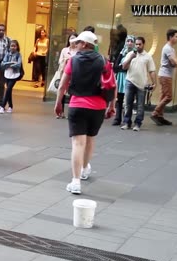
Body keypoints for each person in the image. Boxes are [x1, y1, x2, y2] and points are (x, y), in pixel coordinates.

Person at [54, 31, 114, 194]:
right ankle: (85, 168)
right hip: (98, 107)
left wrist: (58, 103)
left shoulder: (73, 61)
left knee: (77, 143)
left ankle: (75, 181)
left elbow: (63, 85)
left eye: (78, 42)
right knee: (90, 140)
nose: (76, 45)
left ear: (86, 44)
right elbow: (111, 85)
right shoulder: (104, 61)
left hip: (77, 105)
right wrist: (112, 105)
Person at [120, 37, 156, 131]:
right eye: (136, 44)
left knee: (140, 105)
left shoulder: (148, 56)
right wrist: (131, 57)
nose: (138, 46)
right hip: (129, 81)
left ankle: (138, 123)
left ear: (143, 44)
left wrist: (154, 83)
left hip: (141, 84)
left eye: (140, 44)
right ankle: (126, 122)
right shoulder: (130, 54)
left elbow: (151, 70)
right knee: (127, 103)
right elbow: (124, 67)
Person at [151, 29, 177, 126]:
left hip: (166, 75)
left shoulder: (171, 49)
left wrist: (175, 63)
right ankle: (155, 113)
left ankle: (160, 116)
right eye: (176, 36)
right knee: (168, 97)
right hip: (165, 75)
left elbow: (175, 62)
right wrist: (176, 63)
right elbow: (174, 62)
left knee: (163, 96)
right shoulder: (167, 48)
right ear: (170, 37)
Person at [112, 35, 135, 125]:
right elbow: (116, 67)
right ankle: (117, 118)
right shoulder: (122, 53)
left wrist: (122, 67)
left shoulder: (134, 54)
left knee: (129, 100)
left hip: (130, 78)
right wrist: (123, 67)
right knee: (120, 99)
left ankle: (127, 119)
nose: (129, 43)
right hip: (121, 78)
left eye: (131, 41)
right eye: (128, 41)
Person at [56, 33, 78, 118]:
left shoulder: (78, 51)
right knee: (62, 92)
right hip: (65, 73)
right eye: (71, 39)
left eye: (74, 39)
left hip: (75, 74)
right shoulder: (64, 50)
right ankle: (61, 112)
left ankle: (71, 113)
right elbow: (60, 61)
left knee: (73, 93)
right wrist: (66, 59)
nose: (72, 41)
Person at [0, 40, 22, 114]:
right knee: (9, 91)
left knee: (8, 89)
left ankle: (2, 106)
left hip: (15, 74)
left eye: (14, 46)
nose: (13, 47)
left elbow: (18, 65)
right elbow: (3, 64)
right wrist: (12, 63)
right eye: (11, 46)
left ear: (17, 47)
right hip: (7, 74)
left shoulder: (18, 55)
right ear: (9, 47)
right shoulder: (7, 54)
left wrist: (8, 64)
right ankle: (10, 106)